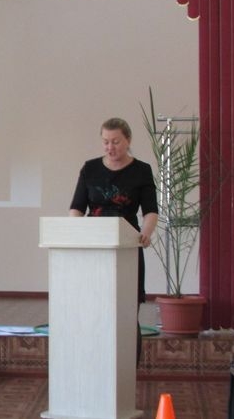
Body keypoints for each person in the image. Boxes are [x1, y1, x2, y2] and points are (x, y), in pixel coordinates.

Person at [68, 117, 159, 365]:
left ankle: (128, 367)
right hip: (94, 247)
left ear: (128, 140)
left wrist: (146, 233)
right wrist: (75, 233)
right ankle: (94, 362)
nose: (110, 147)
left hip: (127, 246)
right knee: (94, 309)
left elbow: (151, 210)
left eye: (116, 142)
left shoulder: (141, 170)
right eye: (106, 142)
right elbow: (77, 208)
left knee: (127, 310)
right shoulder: (90, 169)